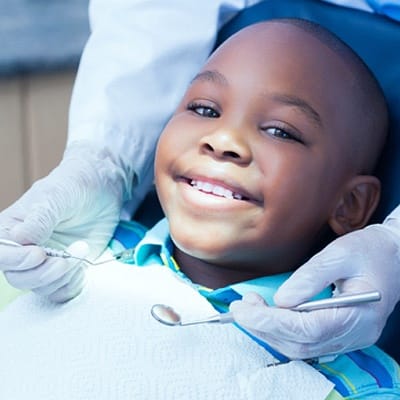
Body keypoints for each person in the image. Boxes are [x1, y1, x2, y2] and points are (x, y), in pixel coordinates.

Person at [1, 18, 399, 400]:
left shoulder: (356, 383)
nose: (223, 139)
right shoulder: (60, 260)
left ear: (351, 205)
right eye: (205, 109)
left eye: (280, 131)